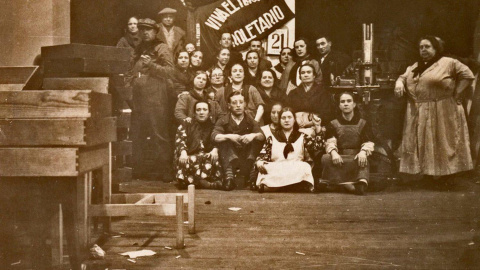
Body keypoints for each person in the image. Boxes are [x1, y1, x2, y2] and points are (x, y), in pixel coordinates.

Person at [394, 36, 474, 186]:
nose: (423, 50)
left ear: (436, 48)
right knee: (424, 142)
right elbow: (403, 77)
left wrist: (457, 92)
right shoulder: (416, 65)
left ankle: (446, 177)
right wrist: (399, 83)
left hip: (443, 109)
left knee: (443, 142)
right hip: (420, 110)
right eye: (421, 47)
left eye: (427, 47)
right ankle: (428, 175)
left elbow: (468, 75)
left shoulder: (448, 62)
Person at [125, 18, 174, 181]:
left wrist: (152, 65)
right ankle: (138, 170)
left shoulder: (162, 48)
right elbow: (130, 71)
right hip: (138, 97)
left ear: (155, 31)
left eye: (148, 30)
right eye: (142, 29)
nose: (145, 32)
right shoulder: (138, 49)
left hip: (156, 96)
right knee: (138, 133)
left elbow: (170, 72)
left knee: (159, 133)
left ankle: (165, 170)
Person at [256, 107, 325, 193]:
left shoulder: (302, 136)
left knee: (305, 166)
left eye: (289, 117)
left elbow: (318, 147)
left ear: (294, 120)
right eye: (283, 118)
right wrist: (259, 162)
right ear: (280, 120)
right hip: (278, 168)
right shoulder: (272, 137)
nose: (286, 120)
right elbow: (263, 154)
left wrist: (317, 127)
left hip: (295, 168)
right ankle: (292, 185)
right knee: (266, 167)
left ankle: (279, 185)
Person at [320, 92, 375, 195]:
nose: (346, 104)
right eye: (343, 102)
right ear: (339, 105)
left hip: (356, 157)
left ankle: (338, 183)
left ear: (354, 104)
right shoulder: (333, 123)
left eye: (349, 101)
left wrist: (363, 152)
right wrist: (333, 153)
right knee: (326, 158)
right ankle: (349, 186)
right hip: (339, 158)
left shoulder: (363, 122)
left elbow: (368, 141)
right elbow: (330, 141)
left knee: (364, 160)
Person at [212, 92, 265, 190]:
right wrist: (229, 136)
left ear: (245, 104)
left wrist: (252, 135)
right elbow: (214, 136)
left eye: (241, 102)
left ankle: (253, 178)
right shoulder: (223, 120)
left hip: (247, 157)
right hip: (229, 157)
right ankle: (229, 178)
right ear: (228, 106)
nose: (238, 105)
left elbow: (262, 136)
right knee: (224, 140)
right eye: (234, 102)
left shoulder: (250, 120)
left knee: (256, 140)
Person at [174, 101, 223, 190]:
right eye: (198, 110)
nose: (201, 112)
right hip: (189, 154)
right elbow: (180, 139)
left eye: (204, 110)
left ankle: (196, 182)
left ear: (209, 112)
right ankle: (201, 183)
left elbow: (218, 141)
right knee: (186, 159)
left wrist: (215, 149)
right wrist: (183, 152)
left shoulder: (214, 126)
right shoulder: (186, 124)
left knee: (213, 158)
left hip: (206, 155)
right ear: (194, 112)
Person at [286, 63, 335, 129]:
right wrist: (296, 118)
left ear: (314, 75)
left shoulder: (323, 92)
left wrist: (312, 122)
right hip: (297, 126)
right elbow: (287, 110)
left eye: (309, 72)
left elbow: (327, 113)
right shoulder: (293, 93)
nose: (306, 75)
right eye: (303, 73)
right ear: (300, 76)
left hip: (317, 126)